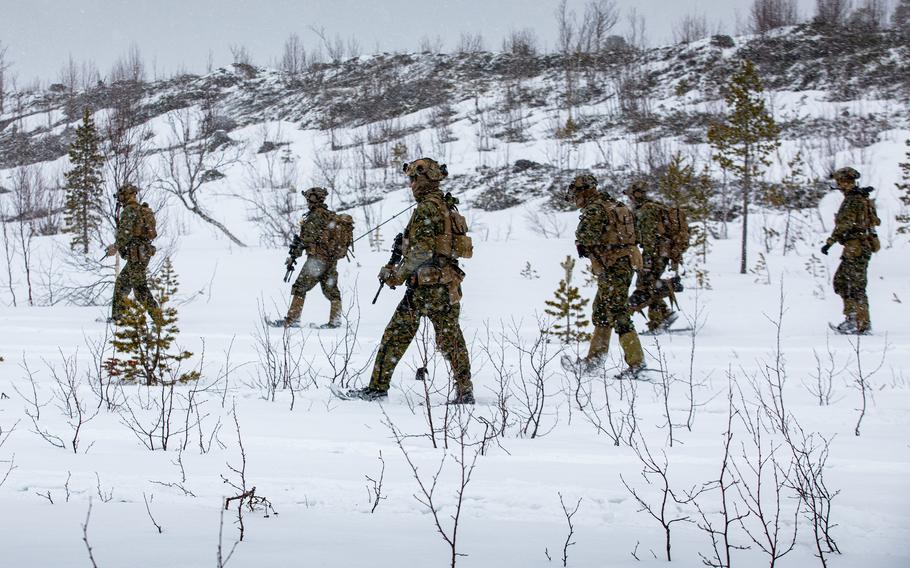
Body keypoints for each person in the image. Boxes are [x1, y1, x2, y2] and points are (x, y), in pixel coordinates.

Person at [349, 158, 474, 404]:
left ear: (422, 179)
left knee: (395, 336)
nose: (411, 184)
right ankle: (465, 389)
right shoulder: (445, 205)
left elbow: (422, 252)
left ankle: (376, 388)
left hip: (426, 288)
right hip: (447, 285)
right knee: (451, 339)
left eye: (412, 179)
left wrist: (396, 275)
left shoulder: (427, 208)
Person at [569, 174, 645, 377]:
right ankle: (594, 359)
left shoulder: (595, 210)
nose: (575, 199)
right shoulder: (615, 205)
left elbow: (585, 236)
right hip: (621, 264)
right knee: (602, 311)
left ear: (584, 191)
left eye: (576, 194)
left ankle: (636, 362)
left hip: (613, 267)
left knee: (618, 312)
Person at [821, 167, 880, 334]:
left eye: (840, 183)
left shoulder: (854, 200)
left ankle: (856, 321)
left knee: (852, 285)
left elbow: (845, 225)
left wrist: (829, 242)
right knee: (844, 282)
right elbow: (874, 220)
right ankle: (856, 319)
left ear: (846, 182)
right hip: (858, 247)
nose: (838, 186)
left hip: (857, 248)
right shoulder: (860, 198)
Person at [282, 187, 344, 328]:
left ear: (313, 199)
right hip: (331, 260)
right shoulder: (330, 215)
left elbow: (306, 240)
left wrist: (294, 256)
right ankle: (335, 321)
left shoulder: (314, 216)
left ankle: (292, 320)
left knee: (299, 288)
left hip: (317, 261)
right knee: (332, 291)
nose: (307, 202)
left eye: (308, 199)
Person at [625, 179, 677, 333]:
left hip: (655, 253)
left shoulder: (646, 210)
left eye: (631, 196)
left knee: (645, 285)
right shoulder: (652, 207)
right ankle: (663, 315)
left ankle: (659, 319)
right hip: (660, 252)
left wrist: (647, 259)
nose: (630, 199)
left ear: (636, 194)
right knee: (651, 284)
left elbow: (649, 237)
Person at [106, 183, 159, 322]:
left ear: (127, 195)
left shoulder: (129, 211)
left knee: (140, 289)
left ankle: (157, 317)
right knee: (122, 284)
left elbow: (126, 232)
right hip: (141, 253)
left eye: (121, 195)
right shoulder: (141, 210)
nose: (120, 199)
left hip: (137, 254)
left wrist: (115, 246)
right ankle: (119, 317)